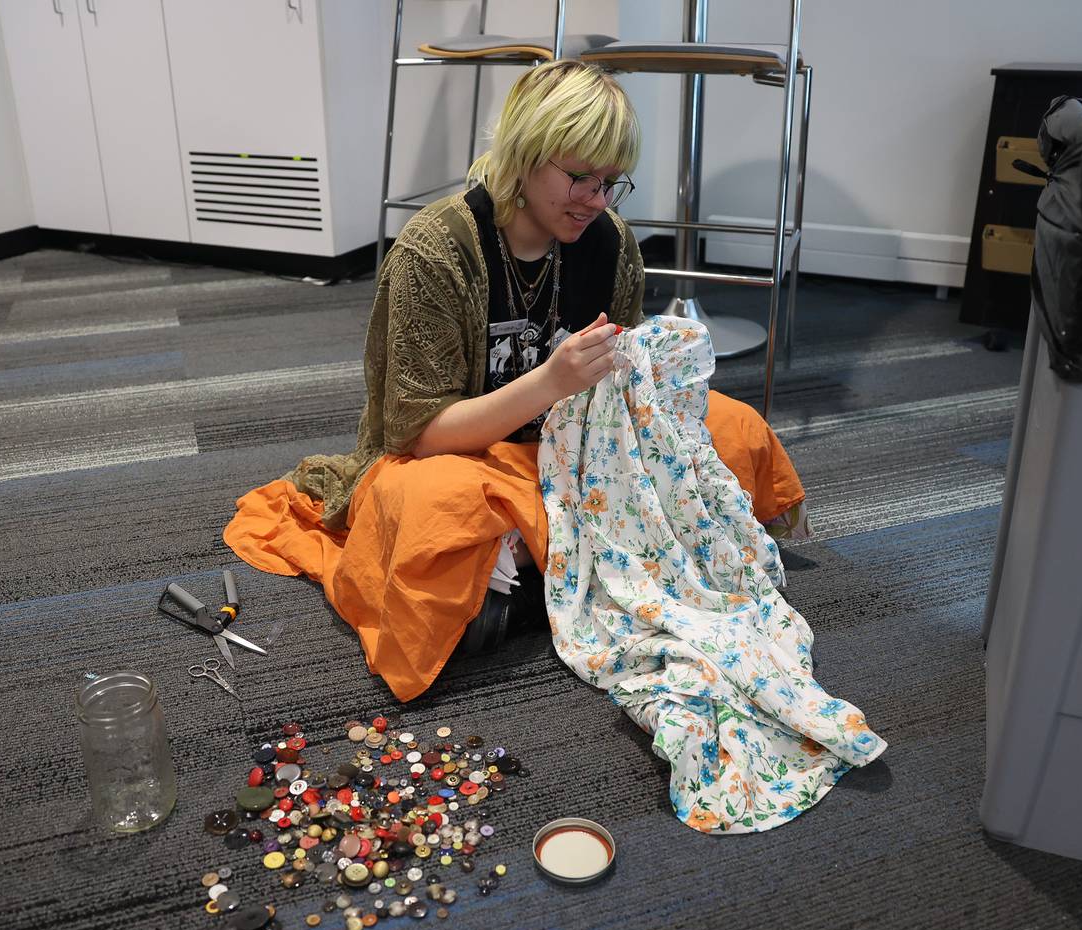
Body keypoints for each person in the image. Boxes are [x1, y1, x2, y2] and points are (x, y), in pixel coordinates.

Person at [225, 60, 808, 701]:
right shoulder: (438, 251)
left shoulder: (611, 242)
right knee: (429, 505)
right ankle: (591, 564)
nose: (596, 200)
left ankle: (524, 580)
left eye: (612, 182)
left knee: (735, 427)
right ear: (525, 157)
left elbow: (624, 400)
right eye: (579, 176)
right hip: (465, 458)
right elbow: (419, 436)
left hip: (575, 453)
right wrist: (549, 384)